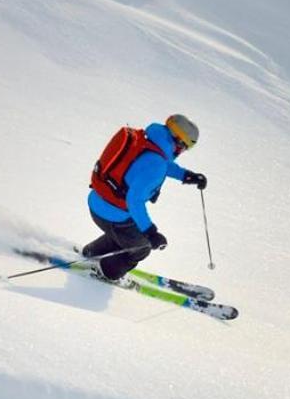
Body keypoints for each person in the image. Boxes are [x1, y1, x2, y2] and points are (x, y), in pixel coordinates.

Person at [81, 113, 208, 280]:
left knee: (127, 236)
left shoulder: (149, 140)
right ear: (178, 141)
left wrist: (186, 176)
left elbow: (159, 164)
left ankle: (91, 252)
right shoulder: (156, 164)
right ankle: (106, 272)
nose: (184, 151)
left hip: (98, 200)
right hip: (112, 214)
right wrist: (150, 233)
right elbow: (134, 201)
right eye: (185, 147)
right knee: (141, 247)